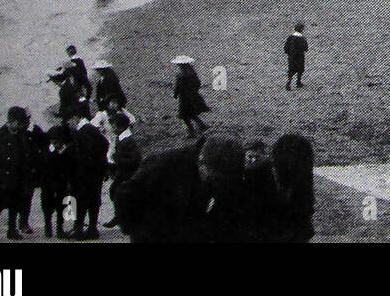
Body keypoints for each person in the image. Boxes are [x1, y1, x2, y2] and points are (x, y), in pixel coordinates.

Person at [113, 136, 248, 243]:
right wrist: (135, 230)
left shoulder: (222, 169)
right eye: (216, 178)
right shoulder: (162, 165)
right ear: (201, 162)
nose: (218, 184)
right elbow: (124, 194)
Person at [0, 106, 32, 240]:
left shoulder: (21, 135)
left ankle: (11, 229)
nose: (21, 125)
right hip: (2, 177)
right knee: (1, 201)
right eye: (19, 122)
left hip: (17, 176)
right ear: (12, 121)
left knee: (15, 202)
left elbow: (25, 154)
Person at [66, 103, 109, 240]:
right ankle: (91, 229)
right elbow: (105, 144)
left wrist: (84, 166)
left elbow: (84, 153)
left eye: (69, 119)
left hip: (84, 173)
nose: (68, 122)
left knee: (80, 200)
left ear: (76, 117)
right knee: (93, 200)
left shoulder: (83, 131)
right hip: (94, 173)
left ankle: (79, 229)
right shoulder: (92, 129)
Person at [37, 123, 72, 238]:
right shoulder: (47, 151)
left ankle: (59, 227)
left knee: (62, 205)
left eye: (57, 142)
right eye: (53, 141)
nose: (55, 144)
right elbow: (43, 165)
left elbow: (70, 167)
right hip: (48, 181)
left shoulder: (67, 151)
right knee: (47, 205)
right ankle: (48, 226)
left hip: (62, 182)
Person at [172, 56, 210, 136]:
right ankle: (201, 125)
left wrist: (176, 94)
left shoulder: (180, 75)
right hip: (192, 97)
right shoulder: (192, 73)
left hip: (184, 98)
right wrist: (193, 91)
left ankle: (191, 130)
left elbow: (177, 86)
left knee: (184, 115)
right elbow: (198, 83)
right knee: (191, 113)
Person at [284, 24, 309, 89]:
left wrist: (288, 53)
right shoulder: (302, 38)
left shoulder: (290, 37)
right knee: (300, 69)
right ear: (301, 30)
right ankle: (298, 82)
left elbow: (286, 47)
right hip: (299, 57)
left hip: (291, 56)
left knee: (291, 70)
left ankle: (289, 82)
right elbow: (305, 48)